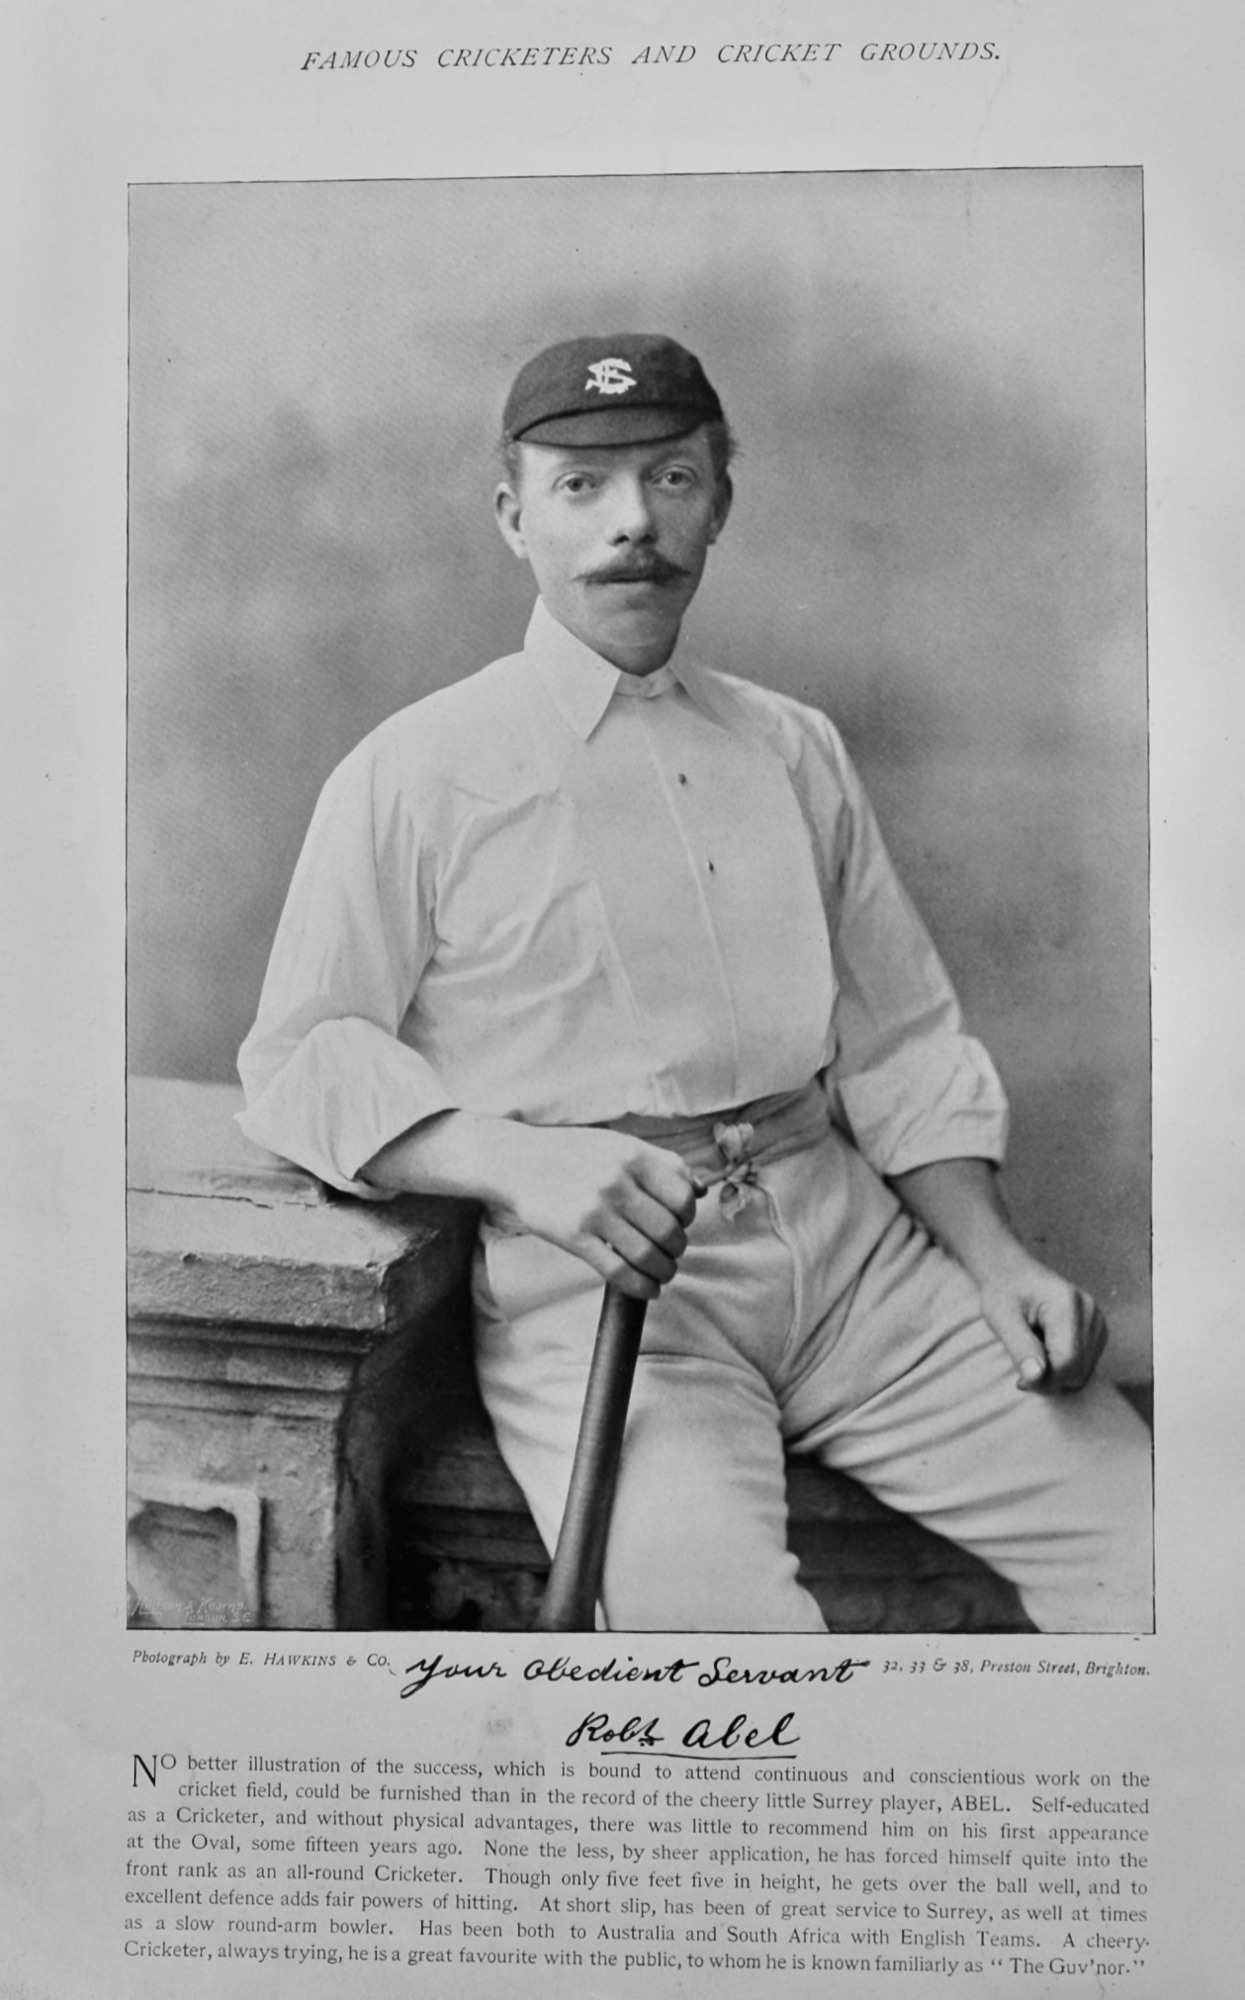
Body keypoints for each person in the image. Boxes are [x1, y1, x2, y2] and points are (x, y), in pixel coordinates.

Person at [237, 332, 1152, 1634]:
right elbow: (301, 1055)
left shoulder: (789, 744)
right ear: (513, 514)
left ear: (719, 498)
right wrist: (505, 1156)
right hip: (604, 1284)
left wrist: (994, 1262)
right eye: (580, 487)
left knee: (1168, 1567)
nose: (632, 524)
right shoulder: (415, 770)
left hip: (856, 1265)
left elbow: (900, 1042)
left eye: (669, 480)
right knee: (726, 1668)